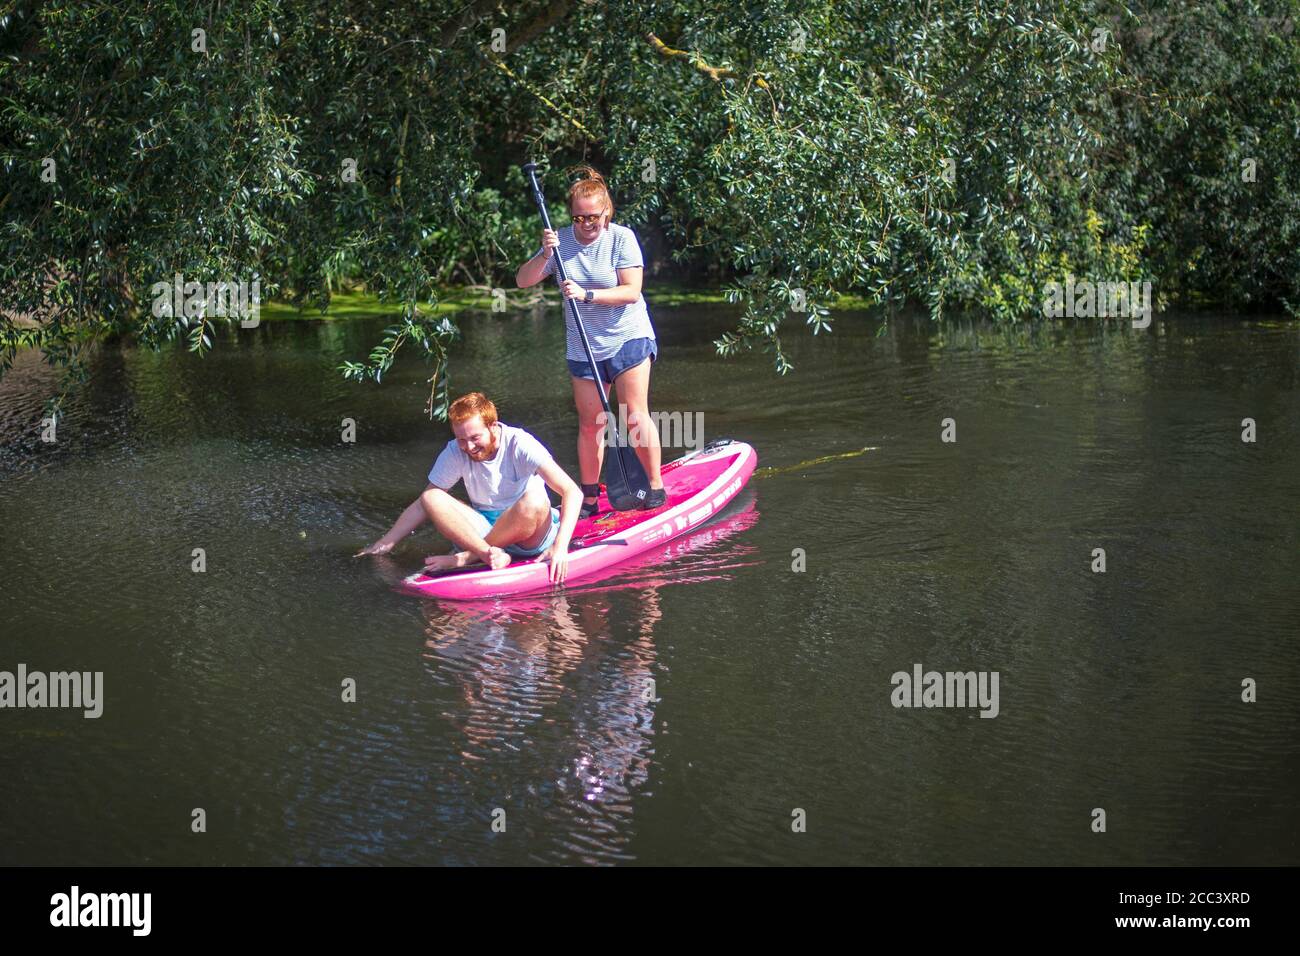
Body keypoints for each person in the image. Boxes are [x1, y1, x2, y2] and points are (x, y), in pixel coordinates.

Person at [515, 165, 666, 517]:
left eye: (593, 217)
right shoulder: (559, 242)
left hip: (627, 337)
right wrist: (545, 254)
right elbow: (522, 281)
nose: (586, 224)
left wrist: (586, 296)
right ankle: (590, 496)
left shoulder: (622, 238)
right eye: (579, 218)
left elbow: (631, 292)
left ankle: (655, 484)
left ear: (606, 212)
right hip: (583, 346)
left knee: (632, 416)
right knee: (591, 423)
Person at [356, 392, 582, 583]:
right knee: (432, 496)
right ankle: (486, 554)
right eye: (462, 439)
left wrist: (560, 547)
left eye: (475, 437)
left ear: (493, 426)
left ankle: (466, 558)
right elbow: (423, 504)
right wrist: (385, 543)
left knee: (534, 501)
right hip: (483, 536)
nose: (469, 447)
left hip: (528, 536)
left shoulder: (520, 444)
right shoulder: (455, 450)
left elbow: (572, 492)